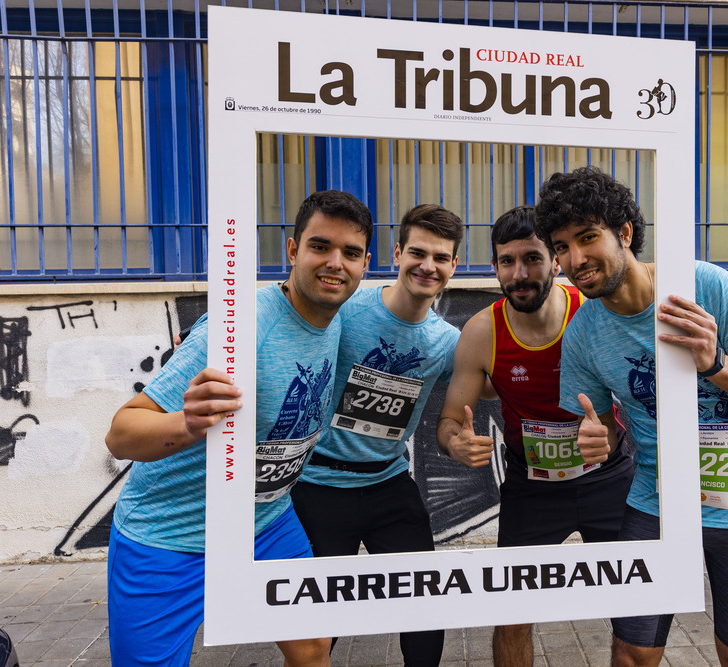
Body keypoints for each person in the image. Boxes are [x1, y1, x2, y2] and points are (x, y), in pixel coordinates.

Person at [534, 167, 728, 667]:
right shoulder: (584, 333)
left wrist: (718, 364)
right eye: (562, 247)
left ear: (626, 234)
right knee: (631, 654)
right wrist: (598, 441)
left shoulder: (702, 285)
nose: (575, 259)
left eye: (588, 238)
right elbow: (602, 433)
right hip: (654, 503)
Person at [104, 190, 373, 667]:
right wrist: (187, 424)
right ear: (292, 251)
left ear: (365, 263)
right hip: (167, 536)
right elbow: (122, 433)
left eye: (350, 253)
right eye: (320, 247)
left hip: (267, 525)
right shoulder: (238, 328)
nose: (335, 263)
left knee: (313, 649)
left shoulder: (340, 318)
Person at [436, 205, 636, 667]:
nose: (520, 273)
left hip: (608, 478)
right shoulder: (483, 331)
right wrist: (456, 442)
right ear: (494, 267)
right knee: (511, 615)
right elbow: (448, 420)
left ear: (557, 262)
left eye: (533, 258)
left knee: (634, 613)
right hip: (533, 488)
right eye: (507, 261)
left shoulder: (593, 313)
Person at [290, 204, 463, 667]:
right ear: (395, 254)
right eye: (418, 253)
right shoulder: (346, 308)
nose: (428, 265)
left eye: (441, 257)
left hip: (389, 485)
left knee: (426, 607)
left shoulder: (447, 341)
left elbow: (486, 378)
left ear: (453, 266)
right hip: (318, 488)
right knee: (319, 628)